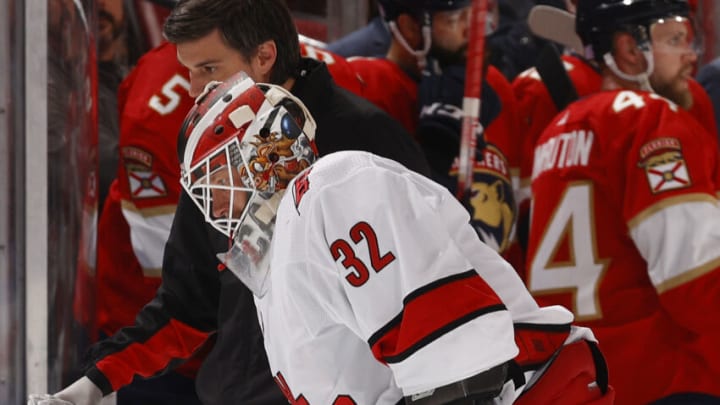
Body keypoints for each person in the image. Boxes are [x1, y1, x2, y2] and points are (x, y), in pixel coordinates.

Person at [28, 0, 430, 404]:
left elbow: (429, 292)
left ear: (264, 57)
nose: (193, 89)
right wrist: (94, 383)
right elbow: (187, 304)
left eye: (208, 69)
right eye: (188, 70)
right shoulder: (215, 148)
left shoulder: (370, 141)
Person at [178, 72, 613, 404]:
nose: (215, 208)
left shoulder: (329, 189)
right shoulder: (272, 275)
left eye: (217, 180)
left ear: (262, 151)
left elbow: (459, 368)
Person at [524, 0, 720, 403]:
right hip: (663, 378)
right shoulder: (654, 120)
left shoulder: (555, 132)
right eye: (676, 40)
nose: (690, 55)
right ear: (632, 50)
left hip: (580, 379)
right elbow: (694, 279)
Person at [93, 41, 205, 404]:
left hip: (214, 348)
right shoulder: (157, 108)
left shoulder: (277, 55)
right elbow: (171, 276)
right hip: (158, 349)